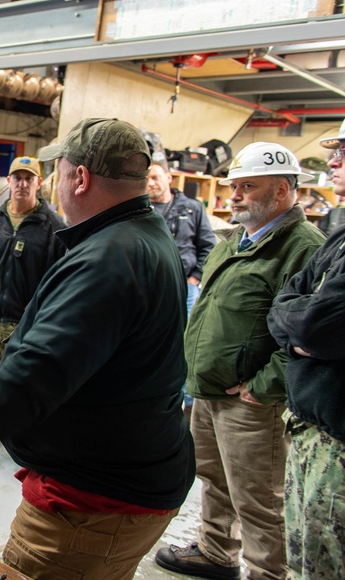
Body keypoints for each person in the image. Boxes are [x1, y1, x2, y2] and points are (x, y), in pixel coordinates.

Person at [0, 118, 195, 579]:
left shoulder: (110, 258)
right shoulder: (143, 236)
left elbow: (37, 373)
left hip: (91, 503)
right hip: (126, 478)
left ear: (80, 178)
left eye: (59, 170)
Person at [155, 141, 325, 580]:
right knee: (213, 478)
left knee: (258, 498)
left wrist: (263, 387)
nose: (234, 196)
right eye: (234, 186)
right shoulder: (235, 240)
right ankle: (216, 551)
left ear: (283, 192)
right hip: (209, 390)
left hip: (251, 403)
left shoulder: (303, 248)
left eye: (248, 187)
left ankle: (268, 572)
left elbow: (310, 333)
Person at [267, 128, 345, 580]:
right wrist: (300, 331)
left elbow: (319, 326)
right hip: (311, 433)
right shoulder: (338, 236)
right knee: (303, 564)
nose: (333, 163)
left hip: (338, 450)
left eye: (343, 153)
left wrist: (304, 331)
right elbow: (285, 303)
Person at [0, 155, 66, 399]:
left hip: (28, 324)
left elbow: (61, 280)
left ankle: (16, 437)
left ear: (39, 182)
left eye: (28, 179)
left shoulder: (55, 228)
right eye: (18, 178)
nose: (22, 184)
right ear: (8, 181)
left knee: (22, 387)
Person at [146, 161, 216, 314]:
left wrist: (196, 277)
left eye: (155, 177)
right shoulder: (141, 210)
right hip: (149, 286)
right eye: (146, 179)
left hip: (186, 285)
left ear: (169, 177)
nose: (150, 183)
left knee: (186, 332)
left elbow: (208, 245)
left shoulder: (192, 208)